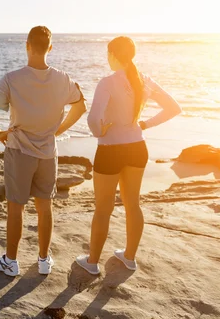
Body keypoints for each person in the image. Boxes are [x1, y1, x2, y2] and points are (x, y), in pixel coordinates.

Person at [0, 26, 87, 277]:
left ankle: (12, 261)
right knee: (45, 206)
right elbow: (81, 107)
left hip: (19, 151)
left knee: (15, 208)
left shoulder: (12, 79)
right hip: (48, 152)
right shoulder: (63, 79)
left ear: (26, 45)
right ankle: (43, 260)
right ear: (50, 48)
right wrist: (57, 131)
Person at [76, 36, 182, 275]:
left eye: (108, 54)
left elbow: (93, 119)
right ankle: (129, 257)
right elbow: (174, 108)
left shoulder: (107, 82)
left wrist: (99, 131)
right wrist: (144, 124)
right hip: (137, 147)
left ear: (113, 55)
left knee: (103, 208)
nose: (107, 59)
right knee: (133, 204)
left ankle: (92, 263)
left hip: (110, 150)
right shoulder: (144, 80)